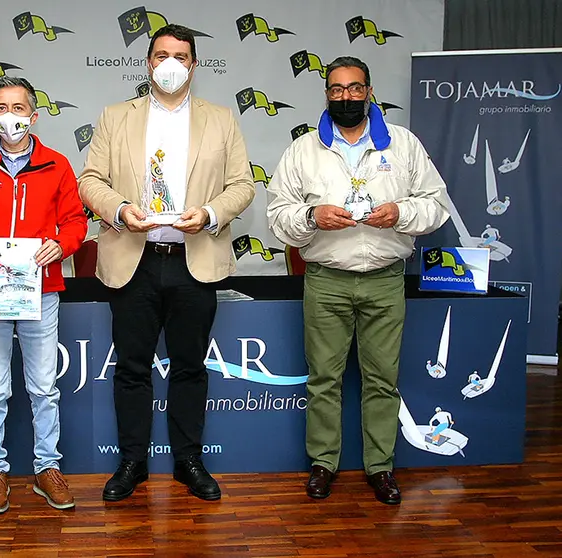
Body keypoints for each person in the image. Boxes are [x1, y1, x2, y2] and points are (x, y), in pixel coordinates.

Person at [78, 24, 255, 502]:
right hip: (132, 258)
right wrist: (119, 210)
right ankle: (132, 462)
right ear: (148, 62)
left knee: (190, 366)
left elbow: (243, 184)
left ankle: (188, 460)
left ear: (194, 65)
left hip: (193, 259)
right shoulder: (116, 117)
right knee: (131, 367)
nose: (171, 64)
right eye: (162, 55)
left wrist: (211, 213)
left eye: (181, 55)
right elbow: (91, 180)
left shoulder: (221, 119)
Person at [266, 56, 450, 505]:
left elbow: (437, 204)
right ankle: (324, 463)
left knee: (382, 380)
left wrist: (401, 212)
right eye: (336, 89)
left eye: (354, 88)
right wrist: (312, 217)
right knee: (323, 379)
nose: (345, 96)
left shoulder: (403, 145)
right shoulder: (304, 150)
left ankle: (380, 467)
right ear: (326, 94)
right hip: (326, 280)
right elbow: (277, 217)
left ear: (369, 91)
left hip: (386, 280)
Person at [0, 76, 87, 515]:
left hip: (39, 291)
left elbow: (76, 222)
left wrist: (61, 245)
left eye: (19, 107)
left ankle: (47, 468)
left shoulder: (57, 165)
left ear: (34, 114)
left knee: (44, 388)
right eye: (3, 108)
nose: (11, 116)